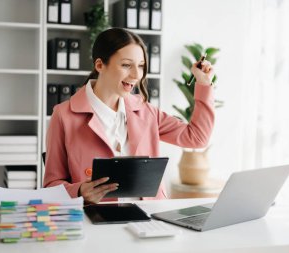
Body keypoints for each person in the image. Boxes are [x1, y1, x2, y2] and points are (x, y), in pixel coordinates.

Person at [43, 28, 215, 204]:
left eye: (140, 66)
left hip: (150, 215)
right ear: (100, 65)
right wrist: (79, 191)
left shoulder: (146, 111)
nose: (136, 75)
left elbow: (197, 138)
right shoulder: (64, 115)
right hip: (97, 218)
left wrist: (203, 83)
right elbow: (51, 185)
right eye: (126, 65)